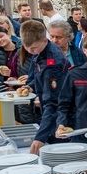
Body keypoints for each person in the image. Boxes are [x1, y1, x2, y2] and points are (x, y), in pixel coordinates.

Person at [22, 20, 68, 154]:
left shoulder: (52, 63)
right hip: (46, 109)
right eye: (26, 47)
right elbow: (36, 76)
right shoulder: (39, 52)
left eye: (34, 48)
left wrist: (40, 137)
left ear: (44, 39)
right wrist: (30, 86)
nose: (30, 51)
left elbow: (53, 103)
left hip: (59, 116)